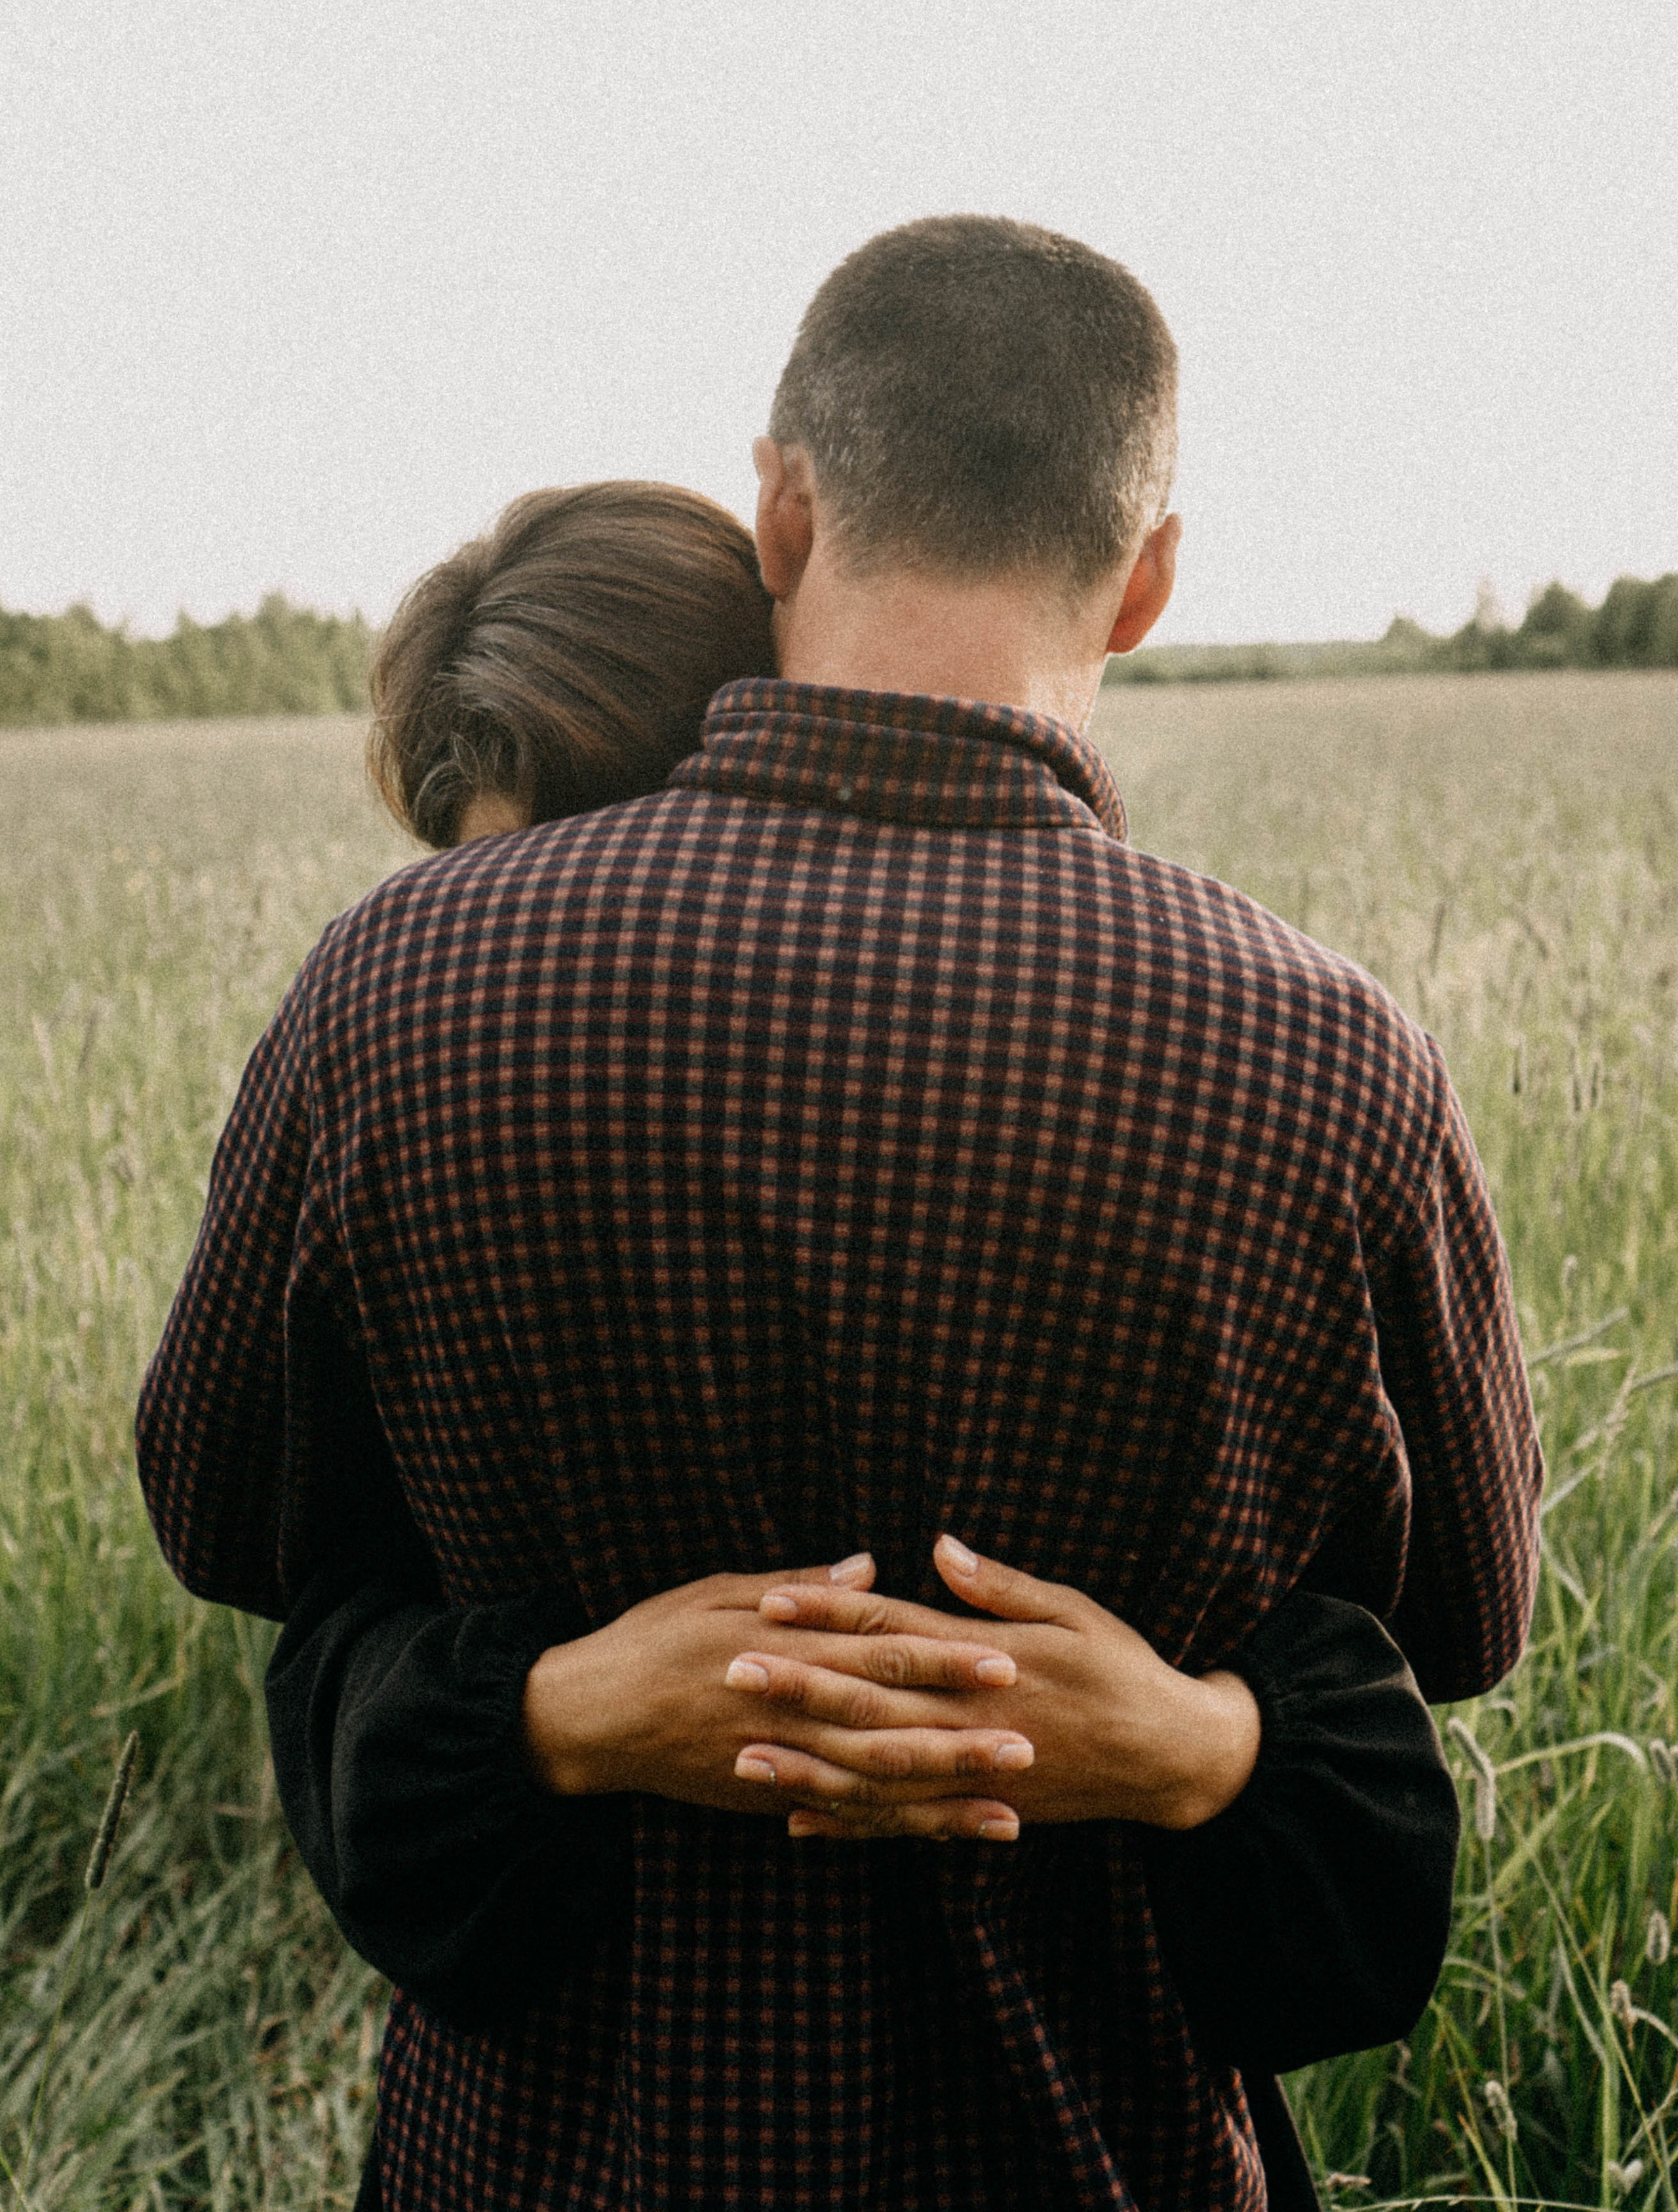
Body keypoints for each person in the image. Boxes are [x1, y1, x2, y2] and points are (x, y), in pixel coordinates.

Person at [137, 216, 1543, 2211]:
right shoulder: (1334, 1061)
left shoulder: (398, 985)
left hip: (546, 2159)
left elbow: (223, 1512)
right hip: (1103, 2148)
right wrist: (1201, 1736)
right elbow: (1466, 1623)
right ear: (1150, 579)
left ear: (782, 514)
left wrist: (540, 1705)